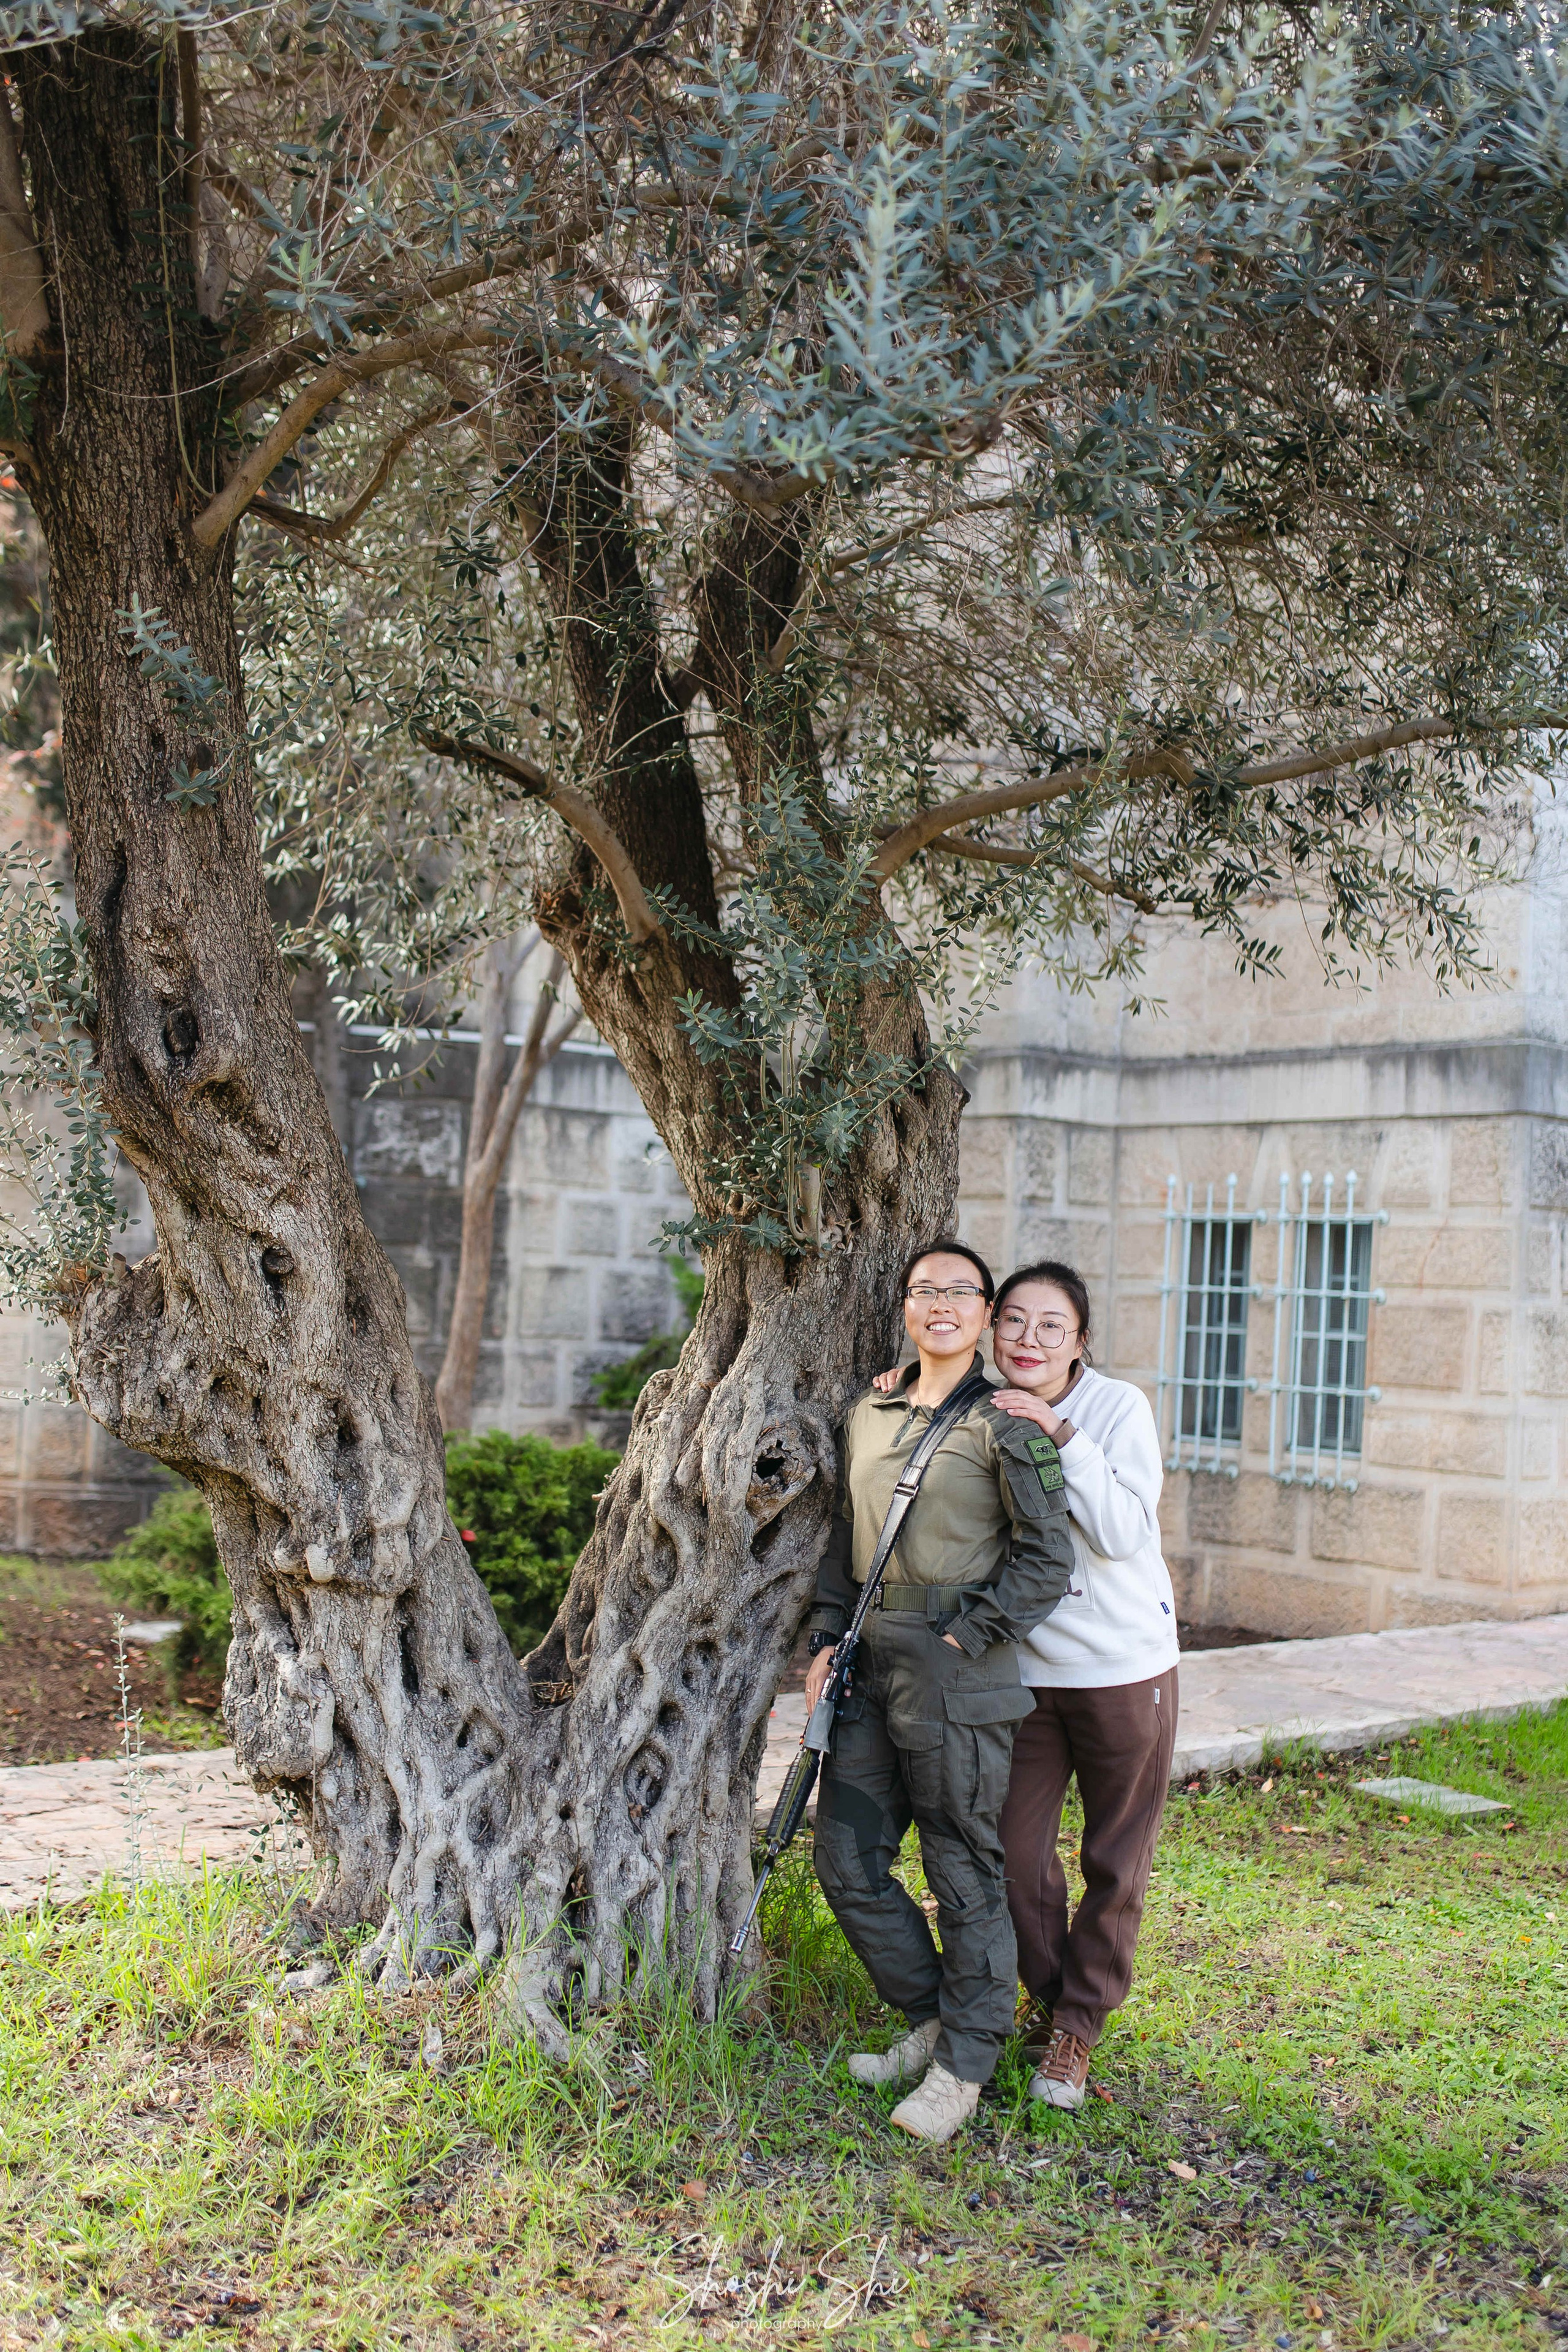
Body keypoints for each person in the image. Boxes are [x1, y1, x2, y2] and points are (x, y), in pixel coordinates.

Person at [872, 1256, 1179, 2112]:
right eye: (1013, 1320)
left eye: (1052, 1326)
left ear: (1081, 1342)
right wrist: (910, 1386)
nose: (1029, 1338)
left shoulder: (1116, 1409)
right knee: (1013, 1856)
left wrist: (1062, 1435)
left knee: (1116, 1860)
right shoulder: (979, 1403)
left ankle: (1077, 2030)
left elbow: (1121, 1531)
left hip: (1125, 1670)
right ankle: (1049, 2005)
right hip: (1028, 1673)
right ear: (991, 1327)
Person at [804, 1242, 1076, 2144]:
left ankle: (965, 2065)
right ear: (908, 1308)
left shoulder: (1008, 1423)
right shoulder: (869, 1413)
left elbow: (1047, 1562)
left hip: (959, 1677)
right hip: (870, 1666)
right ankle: (930, 2017)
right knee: (845, 1857)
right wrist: (823, 1640)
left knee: (963, 1871)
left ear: (985, 1311)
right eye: (926, 1290)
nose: (942, 1304)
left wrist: (966, 1636)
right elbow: (847, 1541)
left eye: (962, 1291)